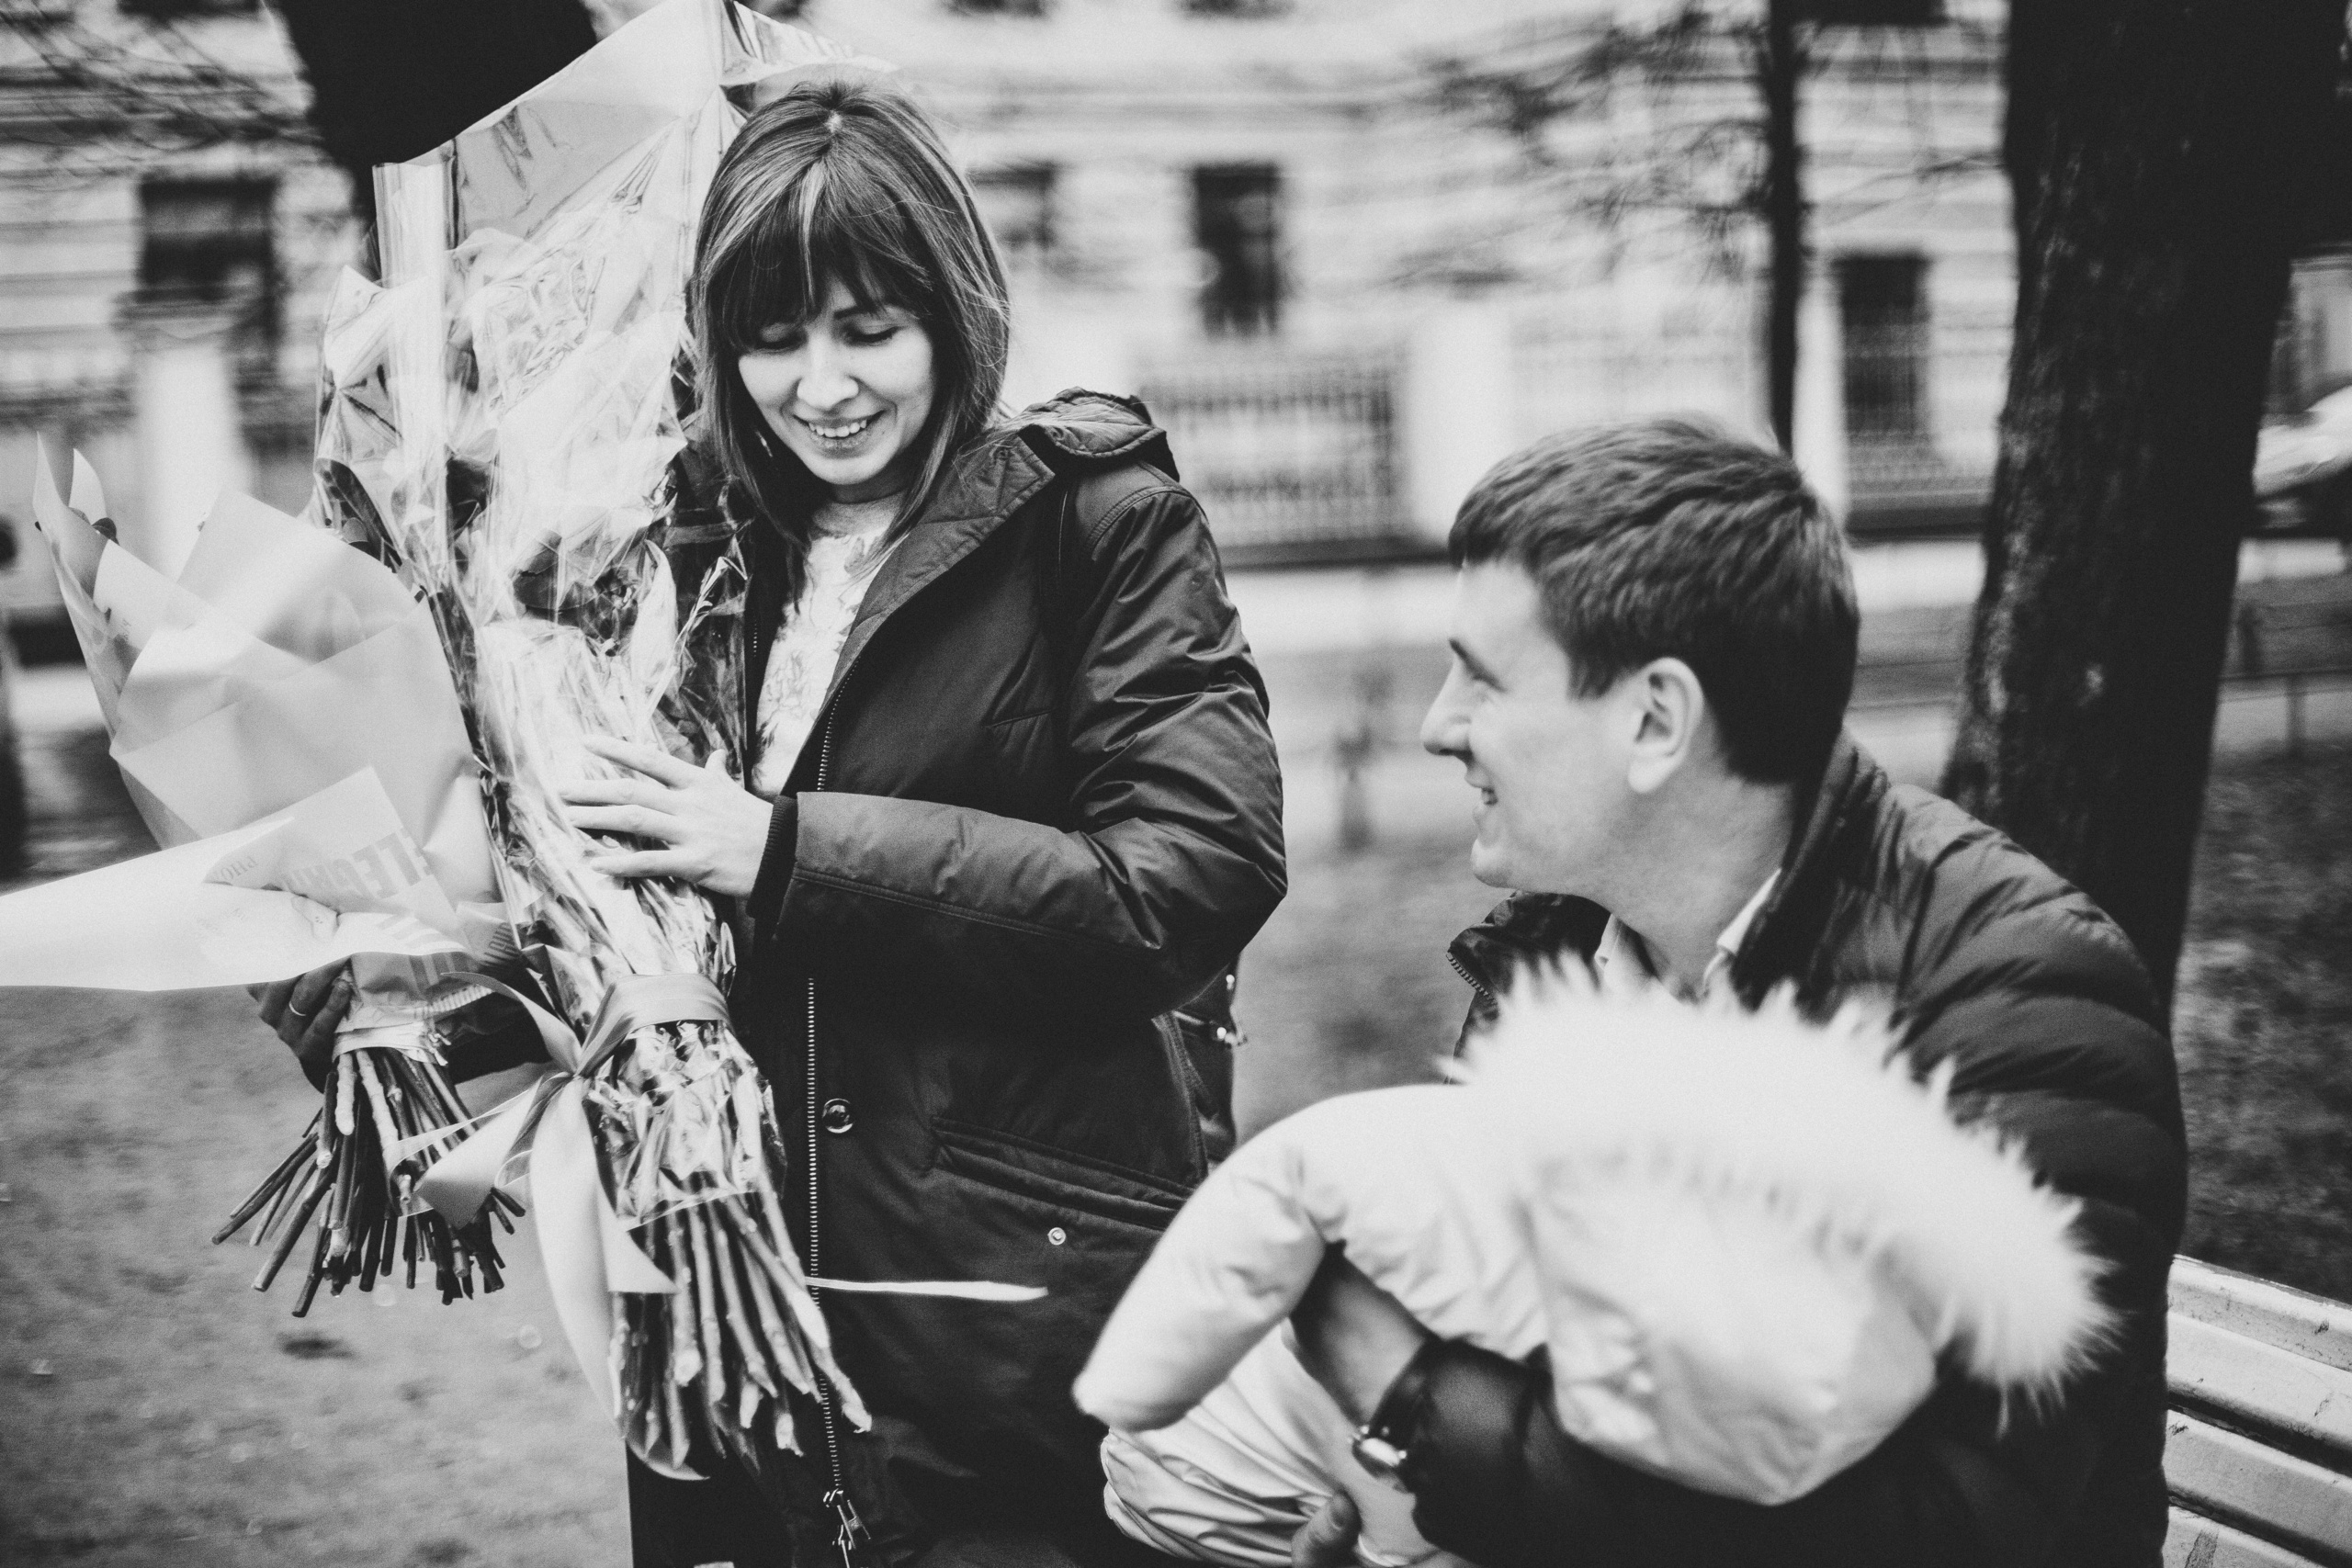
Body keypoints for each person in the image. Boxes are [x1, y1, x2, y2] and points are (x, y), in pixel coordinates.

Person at [255, 77, 1285, 1568]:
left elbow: (1184, 881)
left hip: (1000, 1330)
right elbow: (568, 903)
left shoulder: (1096, 525)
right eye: (775, 334)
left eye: (870, 326)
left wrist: (782, 848)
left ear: (955, 305)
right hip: (716, 1313)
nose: (823, 383)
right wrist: (375, 975)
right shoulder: (666, 559)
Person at [1278, 418, 2185, 1568]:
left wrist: (1404, 1396)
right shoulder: (1561, 961)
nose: (1435, 724)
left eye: (1484, 678)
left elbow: (1936, 1533)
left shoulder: (2016, 997)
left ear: (1655, 721)